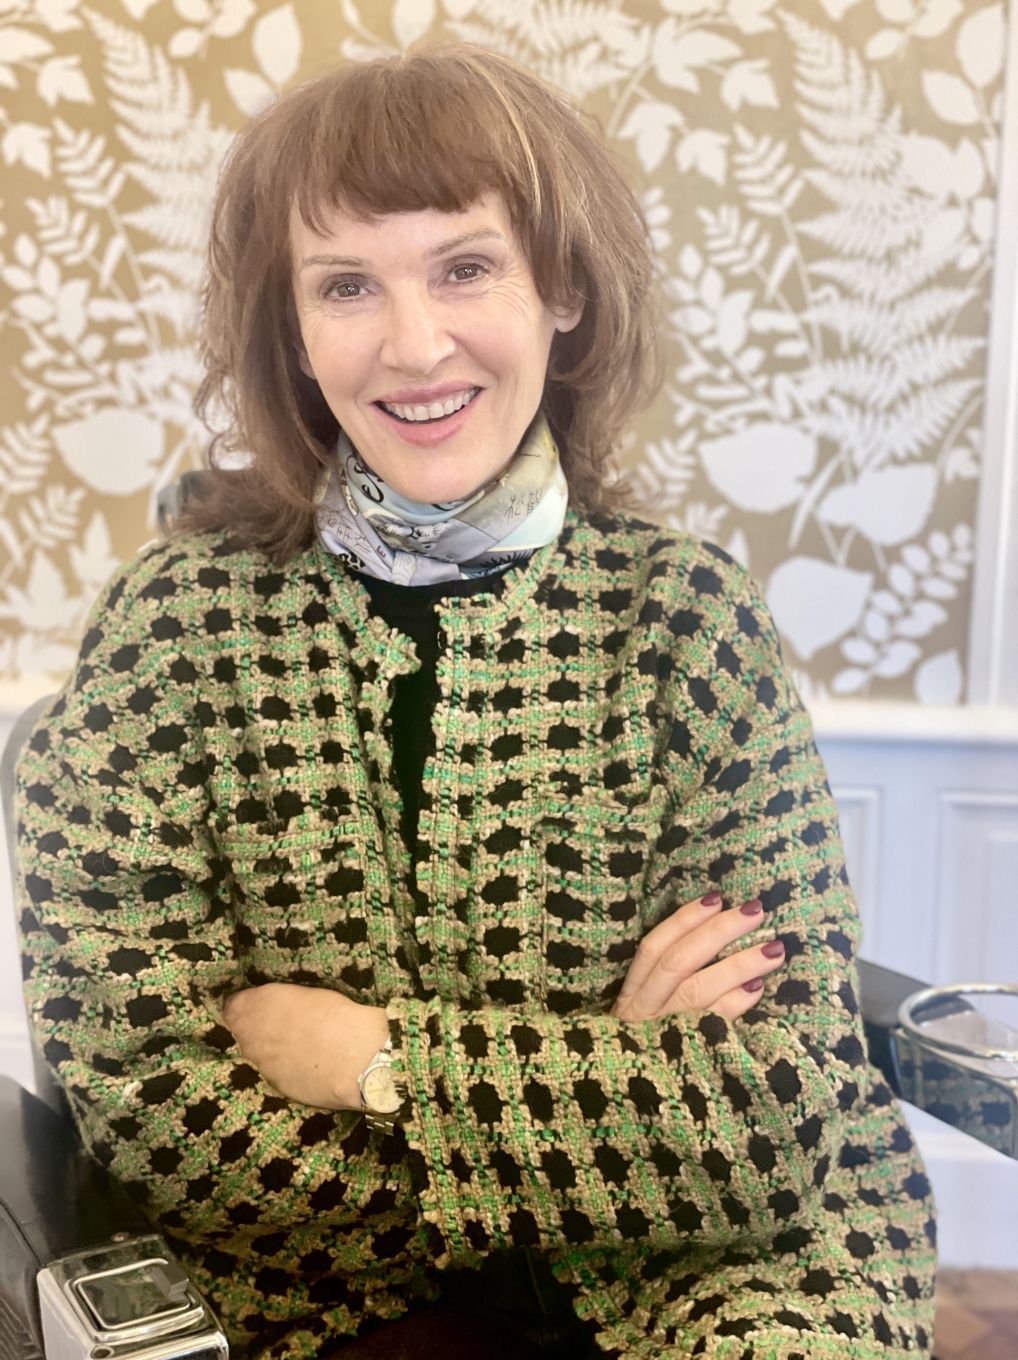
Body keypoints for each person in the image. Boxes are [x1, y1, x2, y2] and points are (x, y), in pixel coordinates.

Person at [15, 40, 938, 1360]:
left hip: (721, 1278)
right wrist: (613, 1097)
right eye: (346, 285)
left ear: (562, 287)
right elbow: (155, 1115)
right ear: (293, 329)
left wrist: (371, 1059)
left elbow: (772, 1120)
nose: (414, 344)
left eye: (465, 266)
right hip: (311, 1294)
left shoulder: (687, 616)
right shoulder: (170, 628)